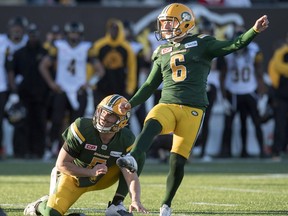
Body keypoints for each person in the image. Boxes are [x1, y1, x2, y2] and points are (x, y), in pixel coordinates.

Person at [116, 3, 269, 216]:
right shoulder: (161, 50)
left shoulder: (202, 42)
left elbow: (232, 45)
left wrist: (253, 31)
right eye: (163, 24)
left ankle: (166, 204)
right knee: (152, 121)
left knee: (177, 162)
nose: (165, 28)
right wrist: (131, 103)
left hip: (193, 110)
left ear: (186, 22)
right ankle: (133, 156)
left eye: (170, 23)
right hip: (167, 103)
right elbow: (150, 85)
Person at [23, 94, 148, 216]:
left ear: (121, 121)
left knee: (137, 156)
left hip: (104, 176)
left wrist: (135, 200)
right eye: (103, 111)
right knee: (52, 213)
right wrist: (91, 172)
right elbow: (61, 164)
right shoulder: (82, 127)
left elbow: (131, 176)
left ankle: (117, 203)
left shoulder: (126, 138)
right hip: (74, 176)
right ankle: (38, 205)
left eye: (111, 115)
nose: (104, 117)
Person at [40, 21, 104, 160]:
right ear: (67, 34)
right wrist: (52, 83)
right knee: (56, 121)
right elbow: (43, 65)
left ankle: (73, 152)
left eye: (76, 33)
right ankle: (51, 148)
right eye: (71, 33)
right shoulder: (58, 46)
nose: (74, 36)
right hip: (61, 90)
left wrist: (89, 83)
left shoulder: (86, 48)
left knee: (77, 124)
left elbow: (100, 71)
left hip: (78, 90)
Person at [219, 27, 268, 158]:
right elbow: (222, 75)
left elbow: (259, 73)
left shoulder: (254, 50)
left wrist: (263, 96)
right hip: (233, 91)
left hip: (250, 90)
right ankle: (225, 152)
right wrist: (223, 98)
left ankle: (261, 152)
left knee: (255, 122)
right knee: (228, 124)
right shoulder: (227, 51)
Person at [10, 23, 49, 158]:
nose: (33, 37)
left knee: (39, 124)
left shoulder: (44, 52)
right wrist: (14, 92)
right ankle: (21, 152)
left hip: (40, 96)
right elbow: (12, 73)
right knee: (22, 124)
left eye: (35, 35)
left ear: (38, 36)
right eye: (31, 34)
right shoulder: (19, 53)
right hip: (24, 95)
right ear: (28, 35)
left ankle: (38, 152)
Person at [91, 18, 137, 106]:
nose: (113, 31)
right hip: (101, 88)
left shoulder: (126, 48)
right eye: (111, 29)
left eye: (116, 29)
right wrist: (92, 84)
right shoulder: (99, 45)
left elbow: (132, 69)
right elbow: (92, 66)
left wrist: (130, 88)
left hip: (120, 87)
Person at [268, 32, 288, 160]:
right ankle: (277, 150)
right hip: (282, 95)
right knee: (280, 123)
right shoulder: (281, 54)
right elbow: (274, 73)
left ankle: (283, 149)